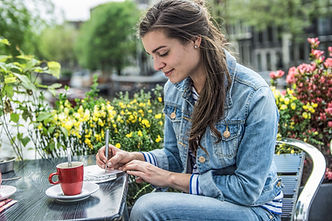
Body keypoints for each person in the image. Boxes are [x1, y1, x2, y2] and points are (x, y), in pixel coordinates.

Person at [96, 0, 282, 220]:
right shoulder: (174, 89)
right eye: (151, 56)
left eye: (163, 53)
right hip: (207, 203)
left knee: (148, 208)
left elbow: (247, 189)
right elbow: (175, 157)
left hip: (255, 210)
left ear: (196, 40)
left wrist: (169, 178)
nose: (157, 65)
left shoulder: (253, 95)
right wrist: (135, 158)